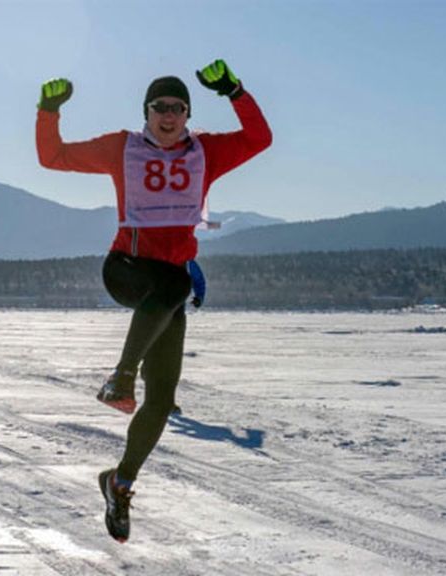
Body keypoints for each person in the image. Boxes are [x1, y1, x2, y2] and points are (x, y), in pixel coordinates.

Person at [36, 59, 272, 542]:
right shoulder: (121, 148)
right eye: (159, 107)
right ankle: (119, 379)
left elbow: (260, 138)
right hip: (126, 271)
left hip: (169, 291)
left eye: (177, 108)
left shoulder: (207, 152)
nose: (168, 115)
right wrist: (48, 111)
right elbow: (52, 157)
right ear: (146, 112)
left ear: (188, 114)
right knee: (172, 285)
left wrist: (235, 90)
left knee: (162, 399)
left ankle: (119, 483)